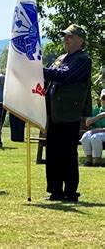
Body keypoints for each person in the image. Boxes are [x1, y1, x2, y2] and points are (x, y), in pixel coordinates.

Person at [43, 24, 92, 202]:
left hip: (70, 113)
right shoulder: (61, 57)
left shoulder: (83, 60)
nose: (66, 39)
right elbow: (52, 74)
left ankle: (71, 192)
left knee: (68, 154)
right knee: (54, 152)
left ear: (80, 40)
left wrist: (38, 70)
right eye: (65, 36)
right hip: (55, 113)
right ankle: (55, 191)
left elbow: (65, 75)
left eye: (70, 36)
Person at [80, 89, 105, 167]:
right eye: (104, 98)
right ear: (100, 99)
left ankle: (98, 161)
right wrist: (101, 115)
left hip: (100, 133)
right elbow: (87, 123)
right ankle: (89, 160)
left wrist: (98, 130)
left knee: (95, 137)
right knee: (85, 136)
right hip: (96, 132)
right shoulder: (96, 110)